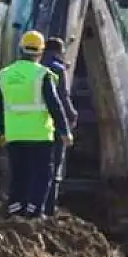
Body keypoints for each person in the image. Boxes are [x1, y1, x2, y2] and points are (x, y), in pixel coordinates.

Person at [0, 30, 71, 217]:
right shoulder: (42, 75)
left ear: (20, 49)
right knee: (41, 175)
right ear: (40, 52)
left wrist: (3, 132)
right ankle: (34, 212)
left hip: (14, 136)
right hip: (39, 136)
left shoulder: (5, 75)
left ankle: (15, 210)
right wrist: (64, 131)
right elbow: (55, 104)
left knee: (18, 174)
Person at [41, 36, 77, 216]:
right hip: (53, 127)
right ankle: (48, 208)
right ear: (59, 52)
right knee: (53, 169)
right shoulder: (57, 70)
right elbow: (62, 97)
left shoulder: (36, 68)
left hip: (33, 127)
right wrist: (71, 116)